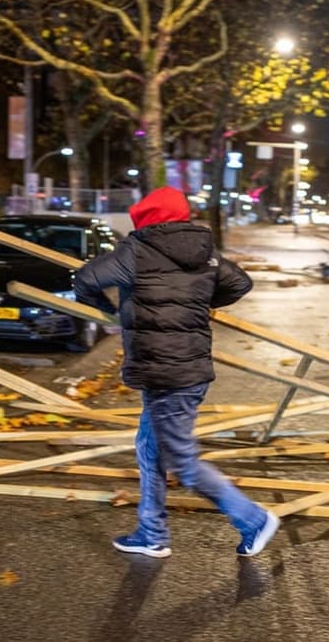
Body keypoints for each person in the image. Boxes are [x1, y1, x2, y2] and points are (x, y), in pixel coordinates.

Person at [74, 186, 279, 559]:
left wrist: (108, 314)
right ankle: (152, 532)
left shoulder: (137, 250)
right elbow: (241, 283)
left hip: (165, 372)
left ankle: (253, 519)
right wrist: (199, 299)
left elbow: (85, 280)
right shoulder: (204, 252)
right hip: (189, 370)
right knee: (149, 449)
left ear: (146, 220)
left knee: (182, 461)